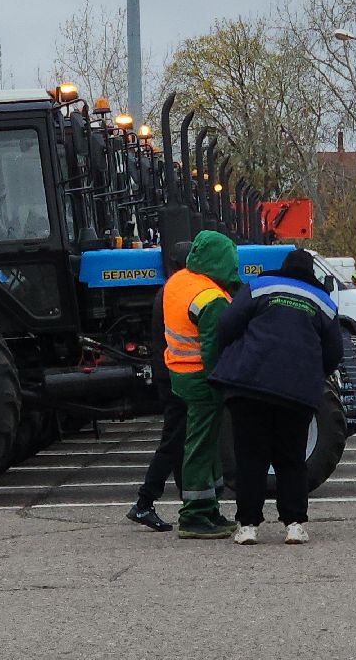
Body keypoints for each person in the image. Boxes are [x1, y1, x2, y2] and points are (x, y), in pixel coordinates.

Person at [210, 249, 343, 545]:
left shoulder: (259, 287)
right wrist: (310, 371)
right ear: (313, 274)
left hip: (249, 386)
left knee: (250, 456)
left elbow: (227, 323)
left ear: (282, 268)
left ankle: (248, 526)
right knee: (291, 458)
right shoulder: (324, 303)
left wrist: (236, 355)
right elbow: (334, 354)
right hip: (296, 392)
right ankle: (294, 524)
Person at [164, 230, 242, 540]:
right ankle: (194, 515)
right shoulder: (213, 299)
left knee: (204, 445)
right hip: (202, 379)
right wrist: (222, 384)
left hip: (179, 372)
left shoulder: (179, 280)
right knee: (201, 446)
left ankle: (208, 508)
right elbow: (214, 350)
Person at [126, 241, 191, 532]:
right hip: (174, 375)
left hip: (168, 373)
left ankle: (187, 503)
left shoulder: (166, 291)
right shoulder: (176, 293)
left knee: (178, 441)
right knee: (173, 441)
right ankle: (144, 502)